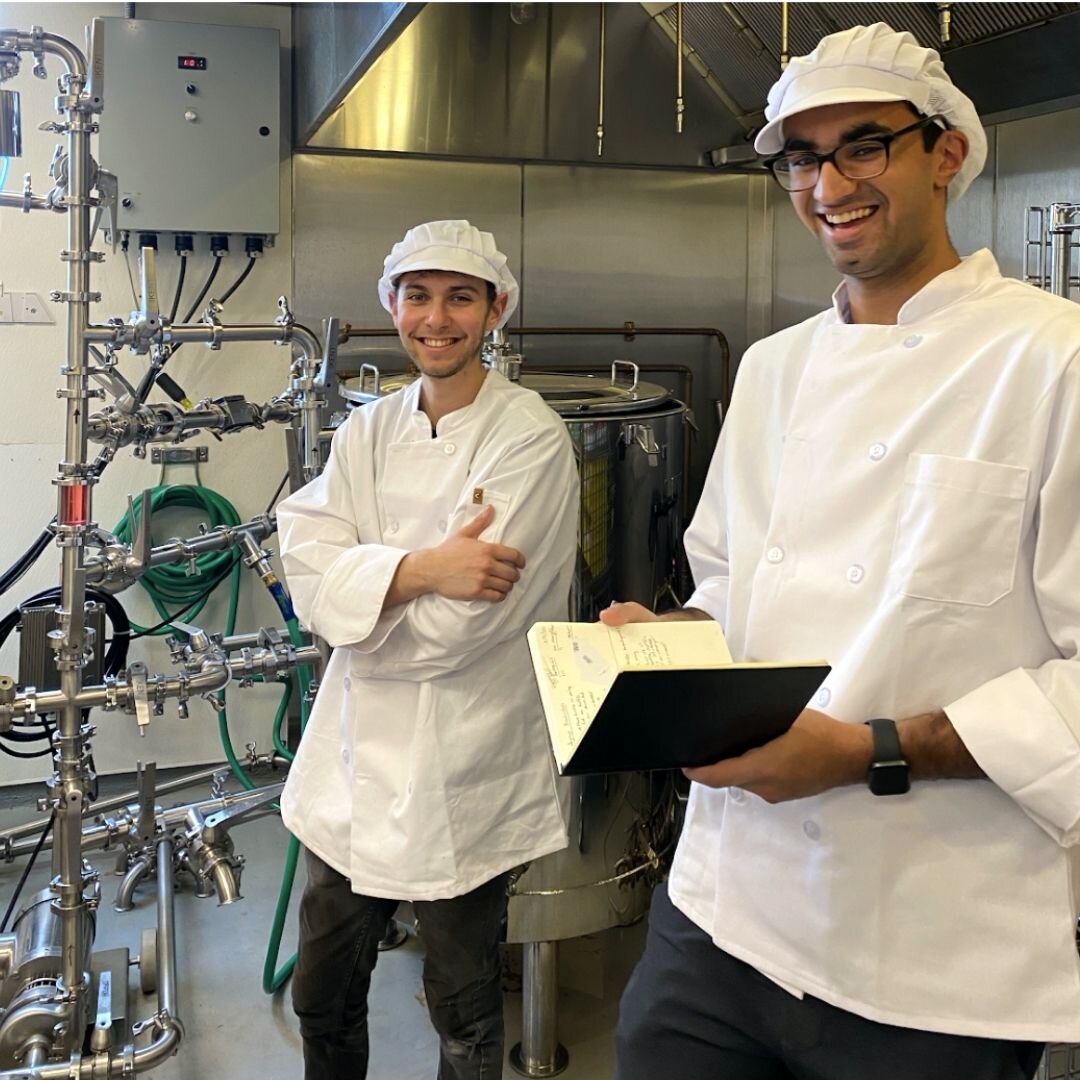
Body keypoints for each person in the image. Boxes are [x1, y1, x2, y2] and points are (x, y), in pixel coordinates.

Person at [608, 23, 1080, 1080]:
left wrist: (868, 752)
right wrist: (667, 641)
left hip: (930, 950)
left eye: (862, 146)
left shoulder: (1057, 364)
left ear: (945, 153)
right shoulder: (774, 370)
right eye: (802, 159)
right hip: (723, 906)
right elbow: (734, 586)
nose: (828, 185)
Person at [276, 219, 578, 1079]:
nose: (435, 318)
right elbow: (305, 568)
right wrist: (421, 568)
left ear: (495, 310)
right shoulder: (367, 431)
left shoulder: (528, 439)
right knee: (321, 994)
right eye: (417, 295)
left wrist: (361, 593)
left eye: (458, 297)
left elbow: (460, 633)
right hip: (352, 759)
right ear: (391, 305)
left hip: (461, 764)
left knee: (464, 1013)